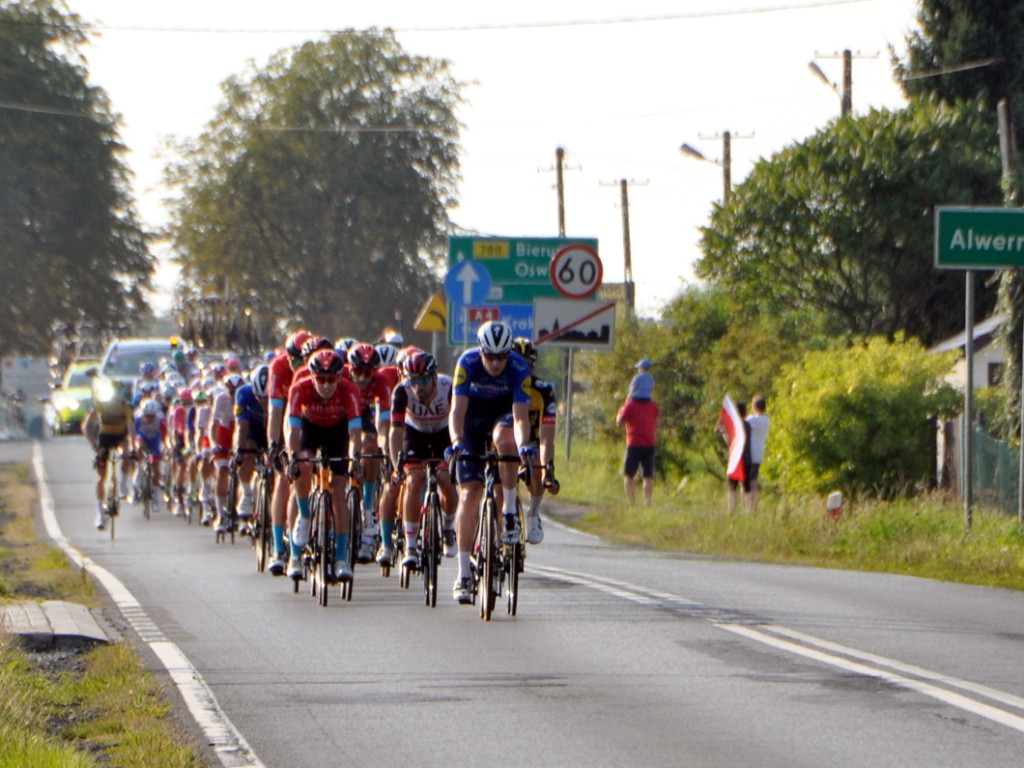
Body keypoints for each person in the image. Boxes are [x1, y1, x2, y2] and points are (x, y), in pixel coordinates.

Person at [449, 320, 535, 605]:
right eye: (491, 356)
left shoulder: (519, 368)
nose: (496, 363)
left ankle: (509, 512)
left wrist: (524, 448)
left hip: (503, 414)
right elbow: (457, 411)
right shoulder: (467, 362)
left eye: (502, 356)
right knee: (470, 494)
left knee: (507, 441)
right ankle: (463, 574)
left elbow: (521, 417)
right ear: (481, 351)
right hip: (472, 417)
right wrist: (456, 441)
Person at [286, 349, 363, 582]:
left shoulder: (350, 390)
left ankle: (341, 557)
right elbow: (293, 430)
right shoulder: (299, 388)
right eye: (321, 379)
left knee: (339, 489)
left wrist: (355, 459)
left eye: (332, 379)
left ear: (340, 377)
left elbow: (354, 431)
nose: (327, 385)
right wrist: (292, 457)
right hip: (310, 430)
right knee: (304, 465)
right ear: (312, 376)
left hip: (338, 433)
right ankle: (304, 518)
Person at [380, 351, 457, 568]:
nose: (418, 387)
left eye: (423, 380)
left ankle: (448, 527)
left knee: (446, 479)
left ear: (434, 377)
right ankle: (411, 545)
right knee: (414, 481)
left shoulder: (448, 387)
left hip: (444, 434)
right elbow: (395, 432)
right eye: (413, 381)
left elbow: (459, 419)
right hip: (415, 435)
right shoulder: (401, 392)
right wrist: (397, 467)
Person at [511, 337, 558, 545]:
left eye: (527, 365)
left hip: (533, 437)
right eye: (517, 363)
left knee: (536, 474)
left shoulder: (543, 391)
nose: (522, 370)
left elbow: (546, 438)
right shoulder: (501, 386)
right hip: (505, 435)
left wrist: (548, 470)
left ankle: (533, 513)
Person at [82, 379, 137, 529]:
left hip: (120, 437)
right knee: (101, 475)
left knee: (126, 454)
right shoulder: (100, 405)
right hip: (105, 438)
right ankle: (100, 512)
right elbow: (86, 426)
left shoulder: (126, 408)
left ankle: (124, 484)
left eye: (119, 396)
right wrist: (94, 445)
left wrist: (132, 448)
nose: (116, 399)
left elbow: (131, 430)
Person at [616, 388, 659, 506]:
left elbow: (619, 423)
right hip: (650, 443)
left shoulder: (630, 406)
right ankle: (648, 503)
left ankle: (632, 502)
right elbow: (656, 421)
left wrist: (622, 408)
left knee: (629, 475)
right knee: (648, 476)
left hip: (634, 443)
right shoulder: (653, 405)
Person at [745, 395, 770, 512]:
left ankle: (750, 507)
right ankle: (753, 507)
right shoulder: (766, 420)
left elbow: (741, 424)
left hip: (750, 453)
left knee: (749, 482)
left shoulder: (752, 420)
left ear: (755, 406)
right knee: (753, 480)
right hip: (759, 453)